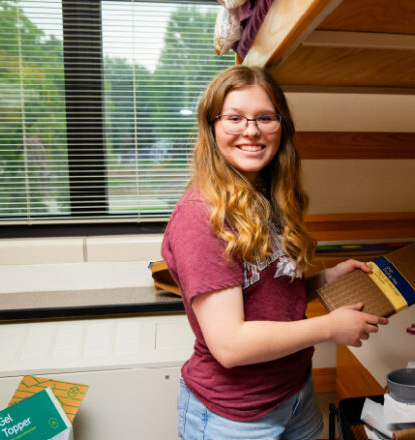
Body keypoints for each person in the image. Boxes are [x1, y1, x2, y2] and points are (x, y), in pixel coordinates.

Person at [161, 65, 389, 440]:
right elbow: (230, 345)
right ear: (212, 127)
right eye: (234, 118)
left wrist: (325, 280)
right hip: (235, 417)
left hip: (294, 394)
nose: (251, 131)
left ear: (281, 127)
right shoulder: (201, 217)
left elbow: (268, 293)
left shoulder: (267, 197)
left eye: (265, 118)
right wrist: (330, 327)